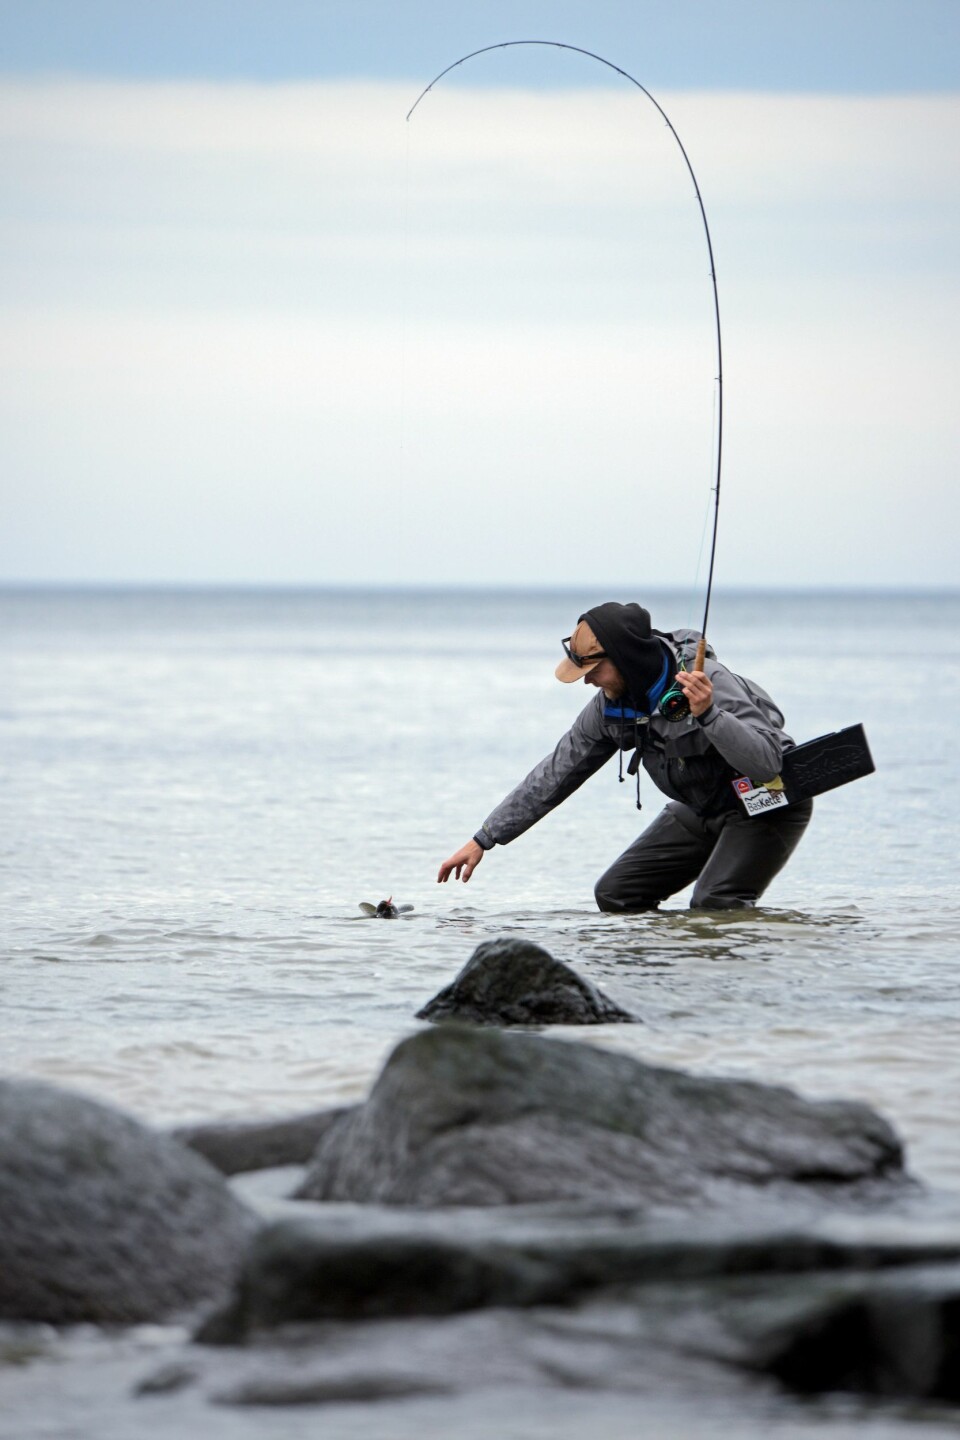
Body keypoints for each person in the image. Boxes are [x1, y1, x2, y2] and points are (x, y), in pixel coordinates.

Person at [437, 601, 812, 911]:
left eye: (593, 670)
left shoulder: (707, 681)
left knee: (715, 903)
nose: (586, 681)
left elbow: (770, 762)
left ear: (626, 658)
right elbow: (556, 773)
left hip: (768, 801)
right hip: (701, 808)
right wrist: (484, 838)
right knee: (616, 895)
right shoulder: (608, 709)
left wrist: (709, 714)